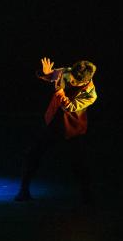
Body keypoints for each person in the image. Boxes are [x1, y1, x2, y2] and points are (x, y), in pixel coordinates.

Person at [15, 57, 97, 203]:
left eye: (75, 81)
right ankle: (23, 191)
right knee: (33, 154)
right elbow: (52, 76)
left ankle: (87, 196)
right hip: (52, 122)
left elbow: (70, 107)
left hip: (72, 129)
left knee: (79, 162)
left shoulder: (90, 94)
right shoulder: (68, 72)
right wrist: (46, 74)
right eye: (71, 78)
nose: (71, 81)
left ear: (84, 81)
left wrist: (59, 91)